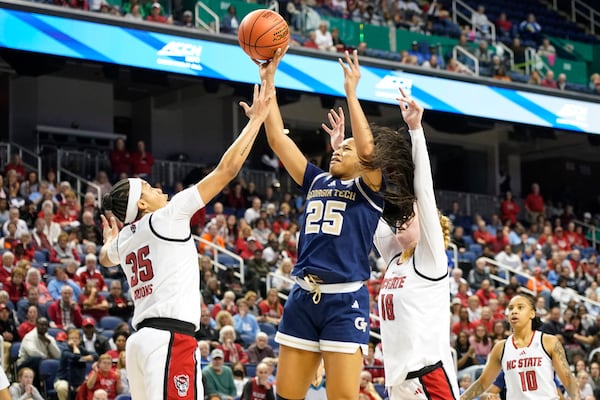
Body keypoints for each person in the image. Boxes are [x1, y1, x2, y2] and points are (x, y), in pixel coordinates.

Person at [98, 75, 275, 400]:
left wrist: (109, 240)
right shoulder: (167, 217)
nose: (159, 189)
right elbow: (226, 170)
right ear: (141, 203)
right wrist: (257, 122)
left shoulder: (124, 240)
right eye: (150, 188)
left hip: (141, 342)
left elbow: (104, 257)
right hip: (169, 339)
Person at [259, 48, 388, 400]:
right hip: (302, 293)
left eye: (345, 150)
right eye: (336, 148)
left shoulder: (369, 189)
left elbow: (368, 151)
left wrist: (351, 93)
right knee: (286, 395)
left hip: (344, 300)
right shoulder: (317, 181)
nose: (337, 151)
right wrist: (268, 79)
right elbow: (277, 140)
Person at [371, 89, 459, 399]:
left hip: (429, 374)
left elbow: (424, 189)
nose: (401, 221)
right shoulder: (395, 258)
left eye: (410, 216)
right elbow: (366, 208)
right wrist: (347, 165)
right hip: (397, 380)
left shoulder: (432, 259)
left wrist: (415, 131)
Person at [460, 293, 579, 400]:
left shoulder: (549, 341)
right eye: (511, 308)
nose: (514, 311)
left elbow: (568, 380)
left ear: (532, 313)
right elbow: (482, 383)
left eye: (520, 307)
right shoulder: (501, 347)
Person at [54, 328, 97, 400]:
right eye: (72, 338)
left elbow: (95, 355)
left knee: (90, 386)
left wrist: (85, 358)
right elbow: (76, 357)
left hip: (79, 381)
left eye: (76, 338)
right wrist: (74, 347)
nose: (74, 340)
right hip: (63, 380)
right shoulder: (65, 351)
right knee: (62, 387)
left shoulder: (82, 349)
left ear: (80, 340)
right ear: (67, 340)